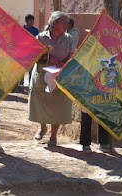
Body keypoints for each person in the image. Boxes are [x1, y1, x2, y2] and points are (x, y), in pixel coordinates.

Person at [28, 11, 75, 147]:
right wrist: (49, 58)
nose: (66, 25)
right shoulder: (41, 37)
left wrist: (61, 64)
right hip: (42, 75)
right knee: (41, 102)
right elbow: (34, 53)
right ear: (54, 23)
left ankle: (53, 135)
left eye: (67, 23)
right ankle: (42, 127)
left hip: (60, 76)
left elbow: (72, 55)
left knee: (58, 105)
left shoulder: (69, 39)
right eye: (63, 22)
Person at [18, 14, 40, 91]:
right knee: (22, 69)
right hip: (23, 52)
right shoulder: (22, 29)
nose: (32, 22)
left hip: (31, 53)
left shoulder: (35, 30)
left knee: (31, 69)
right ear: (27, 21)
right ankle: (21, 84)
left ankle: (31, 85)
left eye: (33, 20)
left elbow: (37, 41)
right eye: (31, 20)